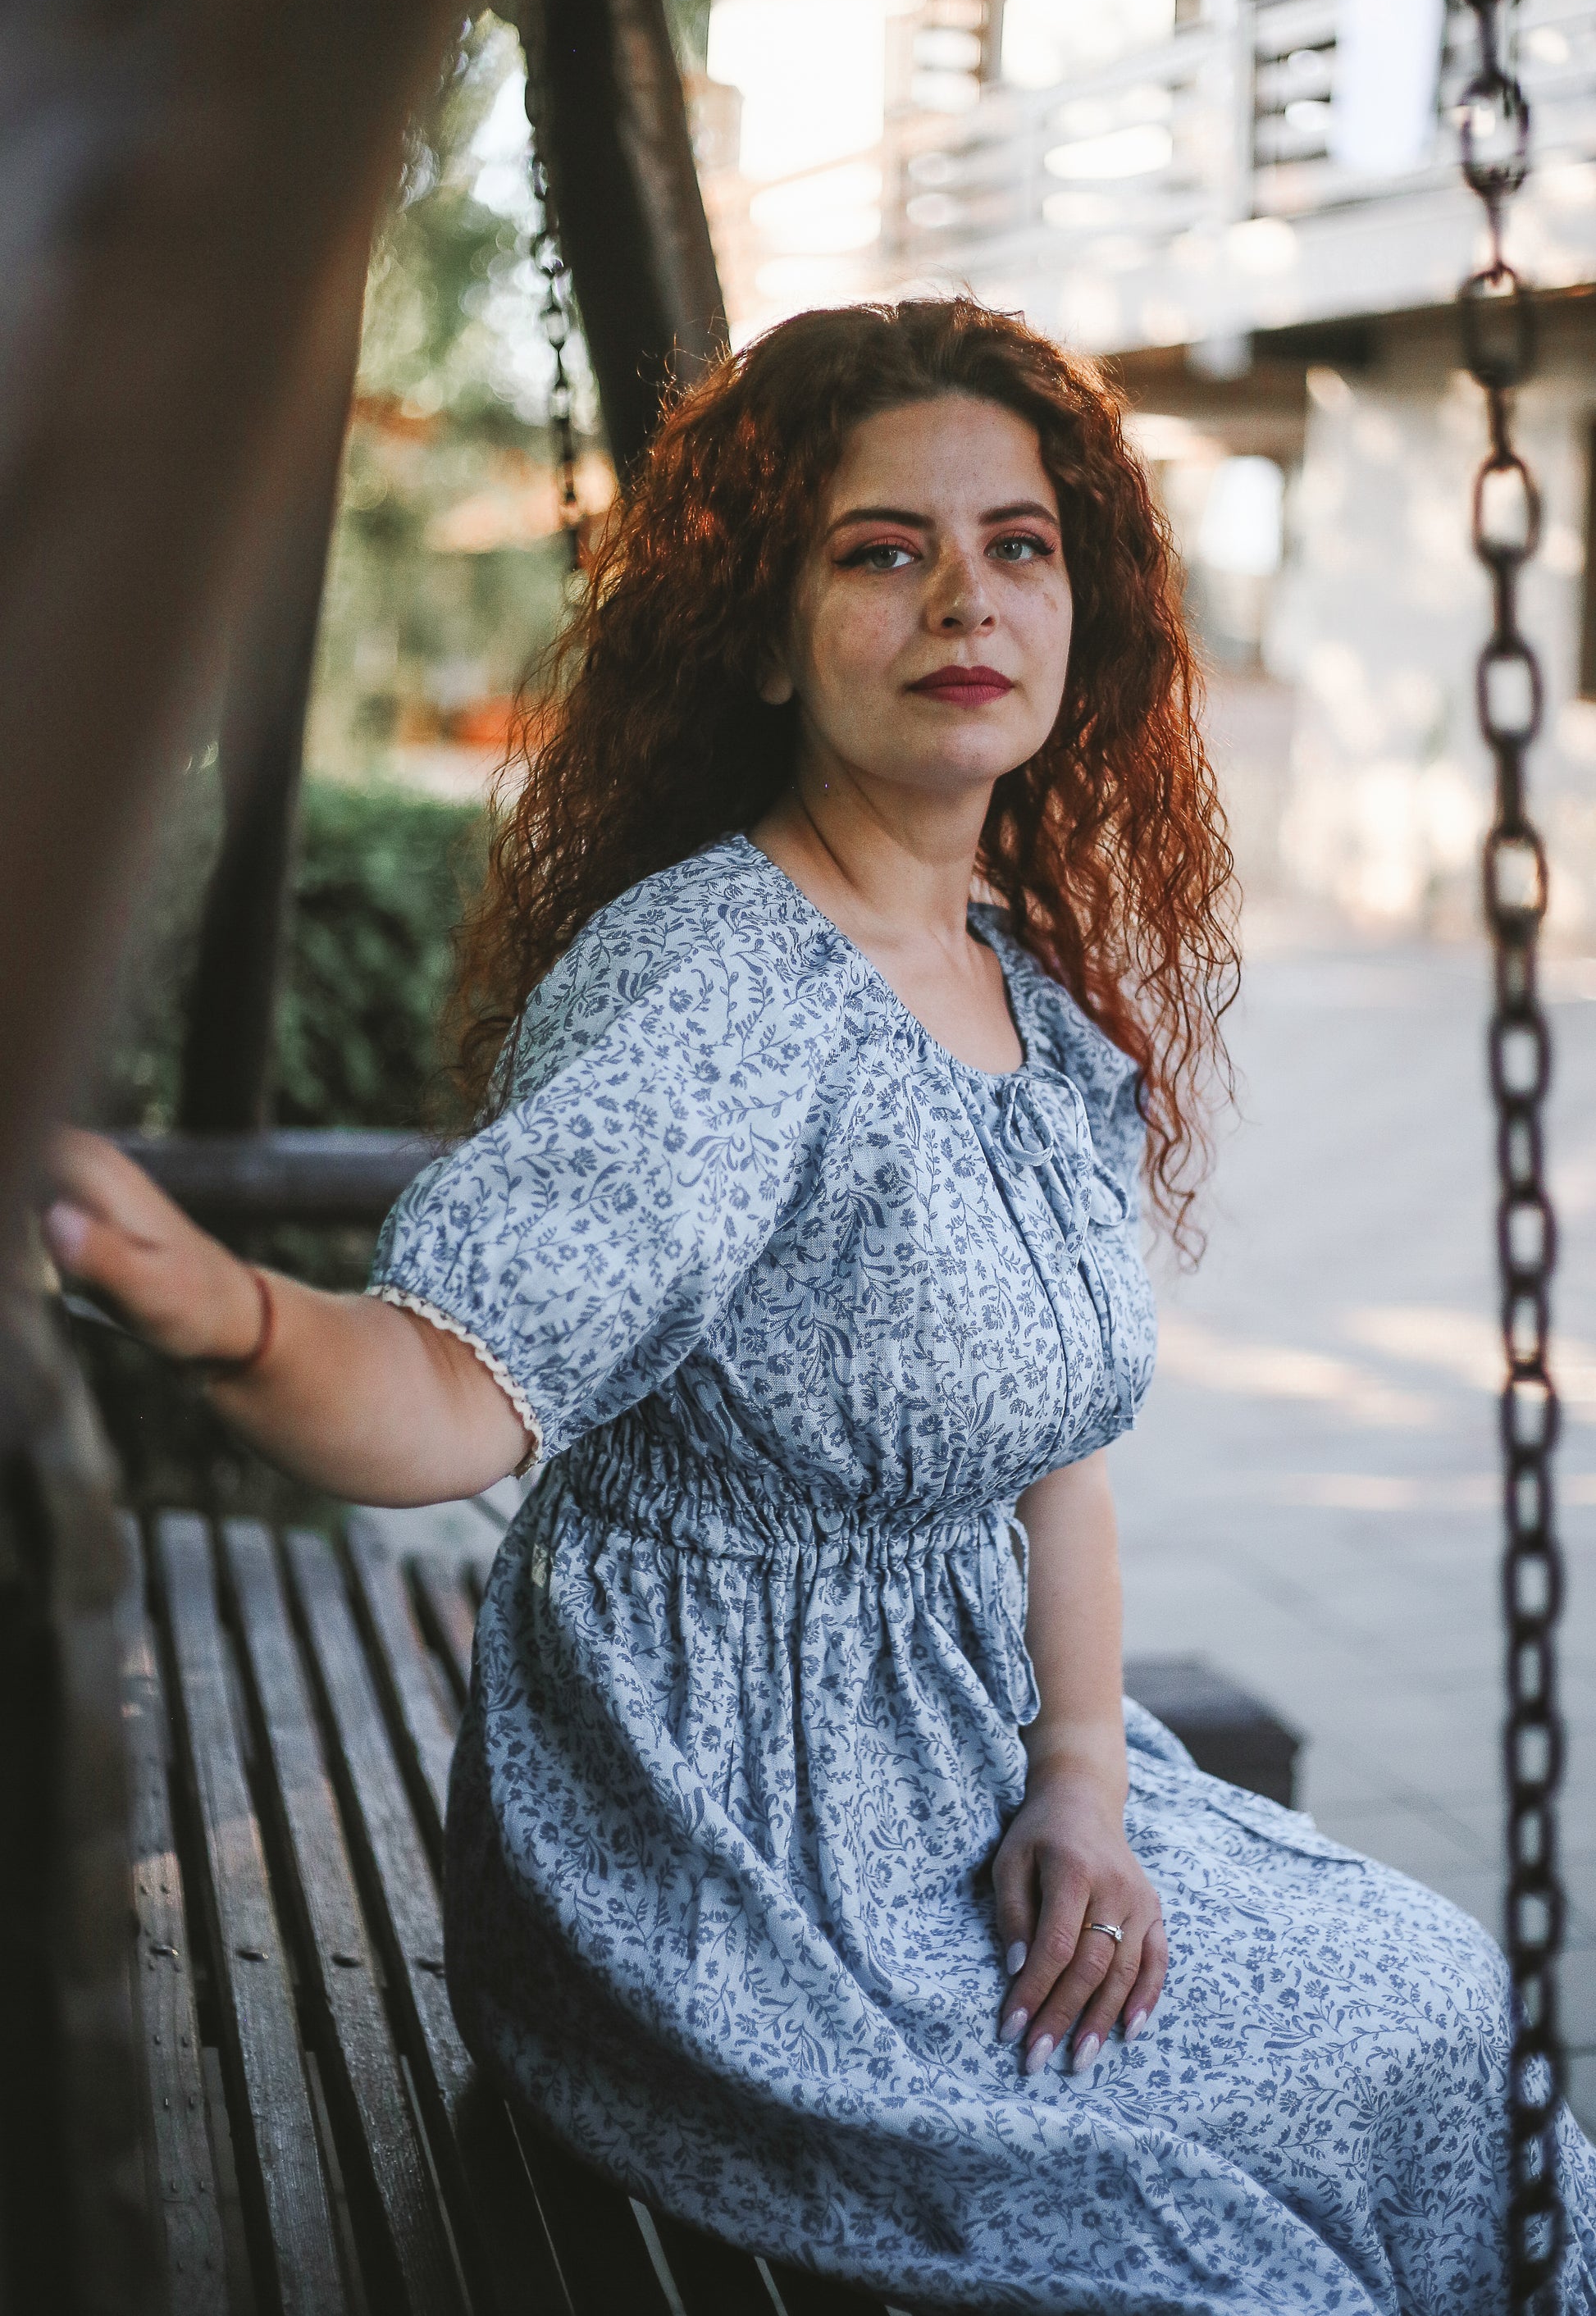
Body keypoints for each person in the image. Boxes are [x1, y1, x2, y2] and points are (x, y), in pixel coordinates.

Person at [45, 299, 1596, 2313]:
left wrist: (1082, 1782)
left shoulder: (1022, 989)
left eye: (1016, 543)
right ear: (766, 634)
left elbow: (1059, 1468)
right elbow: (439, 1396)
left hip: (966, 1761)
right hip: (718, 1855)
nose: (965, 592)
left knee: (1431, 2007)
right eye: (883, 548)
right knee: (1202, 2246)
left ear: (1079, 608)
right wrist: (215, 1301)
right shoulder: (724, 990)